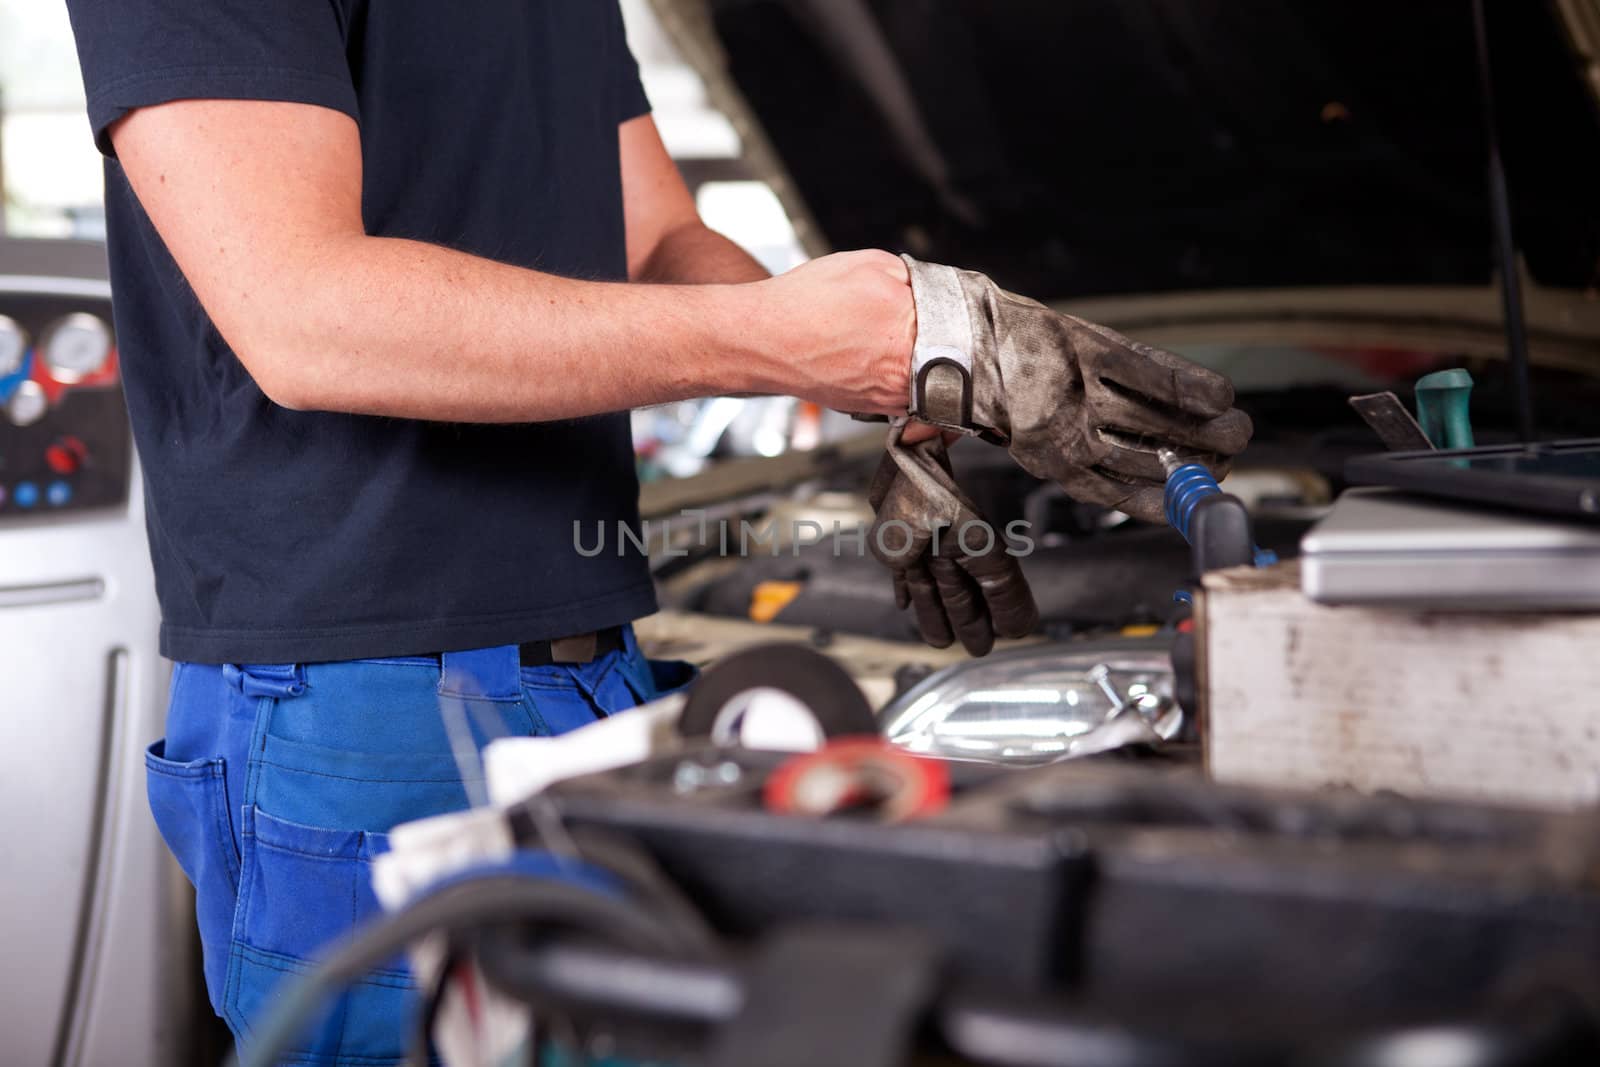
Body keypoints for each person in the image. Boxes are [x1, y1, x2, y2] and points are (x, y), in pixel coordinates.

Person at [65, 2, 1250, 1061]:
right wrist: (790, 341)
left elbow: (662, 242)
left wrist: (898, 381)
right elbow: (303, 315)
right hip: (358, 702)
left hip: (596, 675)